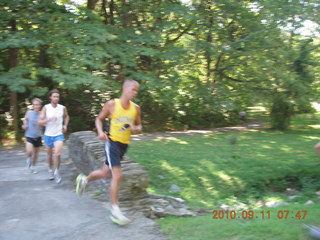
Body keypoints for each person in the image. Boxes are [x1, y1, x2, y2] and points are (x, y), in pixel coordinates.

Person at [76, 80, 142, 225]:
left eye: (137, 90)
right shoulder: (112, 104)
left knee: (104, 172)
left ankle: (84, 180)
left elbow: (139, 126)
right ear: (125, 88)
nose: (135, 92)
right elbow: (99, 119)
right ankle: (115, 211)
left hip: (124, 145)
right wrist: (100, 132)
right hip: (112, 142)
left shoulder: (135, 108)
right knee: (117, 176)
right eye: (133, 89)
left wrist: (135, 129)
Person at [38, 89, 69, 184]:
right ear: (50, 97)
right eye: (54, 96)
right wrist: (49, 119)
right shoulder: (46, 108)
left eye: (57, 97)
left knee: (58, 154)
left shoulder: (62, 108)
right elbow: (39, 122)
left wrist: (65, 125)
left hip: (58, 134)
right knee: (49, 155)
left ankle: (57, 172)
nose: (56, 98)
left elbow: (67, 116)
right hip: (48, 135)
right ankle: (50, 170)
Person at [22, 98, 43, 173]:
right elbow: (25, 119)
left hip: (38, 136)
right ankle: (28, 158)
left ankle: (33, 166)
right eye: (34, 105)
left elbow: (45, 122)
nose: (35, 106)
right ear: (32, 106)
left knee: (36, 153)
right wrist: (24, 125)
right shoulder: (29, 112)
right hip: (29, 135)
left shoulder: (42, 114)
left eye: (37, 105)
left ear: (40, 105)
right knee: (29, 151)